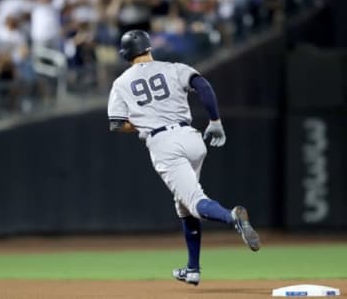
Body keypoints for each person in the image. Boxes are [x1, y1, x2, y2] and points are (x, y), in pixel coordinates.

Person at [107, 30, 261, 286]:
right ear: (149, 48)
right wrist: (215, 121)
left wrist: (143, 123)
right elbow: (202, 85)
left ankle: (232, 216)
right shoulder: (173, 68)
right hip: (192, 138)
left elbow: (116, 124)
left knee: (195, 201)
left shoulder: (121, 82)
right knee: (183, 204)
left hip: (164, 144)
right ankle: (192, 269)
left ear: (125, 55)